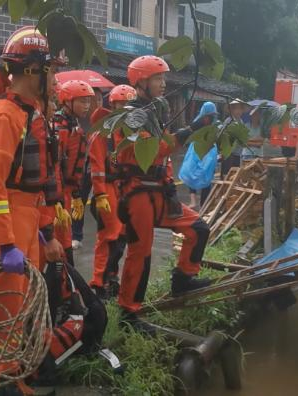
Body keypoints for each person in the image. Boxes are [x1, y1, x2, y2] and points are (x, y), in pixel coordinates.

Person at [0, 27, 72, 396]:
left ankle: (9, 381)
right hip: (4, 229)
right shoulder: (5, 117)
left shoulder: (32, 115)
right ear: (31, 71)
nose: (55, 79)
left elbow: (37, 187)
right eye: (51, 71)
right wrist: (6, 244)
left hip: (25, 225)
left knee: (16, 311)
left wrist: (46, 235)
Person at [114, 55, 211, 330]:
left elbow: (164, 155)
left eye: (163, 78)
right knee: (140, 253)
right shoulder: (131, 117)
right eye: (158, 78)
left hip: (159, 191)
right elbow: (155, 150)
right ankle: (128, 313)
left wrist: (169, 182)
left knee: (198, 229)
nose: (163, 83)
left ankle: (183, 280)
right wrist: (189, 130)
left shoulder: (156, 112)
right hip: (138, 193)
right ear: (142, 82)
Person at [87, 84, 137, 298]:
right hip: (107, 189)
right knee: (109, 237)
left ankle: (111, 277)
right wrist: (100, 195)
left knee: (122, 236)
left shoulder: (125, 131)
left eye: (130, 104)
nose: (126, 108)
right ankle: (99, 282)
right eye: (122, 104)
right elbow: (97, 166)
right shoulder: (103, 132)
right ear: (113, 104)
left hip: (121, 187)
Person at [51, 79, 95, 267]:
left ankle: (65, 287)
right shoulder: (60, 127)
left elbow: (75, 165)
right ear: (68, 101)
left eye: (88, 101)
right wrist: (59, 199)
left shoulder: (74, 125)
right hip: (58, 194)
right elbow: (55, 165)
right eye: (82, 101)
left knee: (65, 240)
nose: (87, 106)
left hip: (68, 190)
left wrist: (77, 193)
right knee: (60, 242)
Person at [71, 88, 104, 250]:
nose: (97, 103)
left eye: (100, 99)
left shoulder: (103, 119)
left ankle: (106, 230)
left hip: (99, 168)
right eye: (93, 100)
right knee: (80, 200)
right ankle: (76, 235)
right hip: (83, 168)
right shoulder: (79, 120)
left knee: (99, 202)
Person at [188, 101, 218, 208]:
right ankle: (193, 201)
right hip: (196, 152)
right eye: (210, 115)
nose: (211, 117)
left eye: (212, 115)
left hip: (209, 153)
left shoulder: (215, 124)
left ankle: (203, 205)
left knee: (207, 178)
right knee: (192, 175)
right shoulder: (197, 123)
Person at [221, 99, 245, 178]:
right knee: (227, 175)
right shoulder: (228, 121)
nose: (238, 111)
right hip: (228, 153)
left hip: (237, 153)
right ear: (232, 110)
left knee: (234, 176)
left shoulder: (241, 121)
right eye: (236, 108)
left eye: (240, 109)